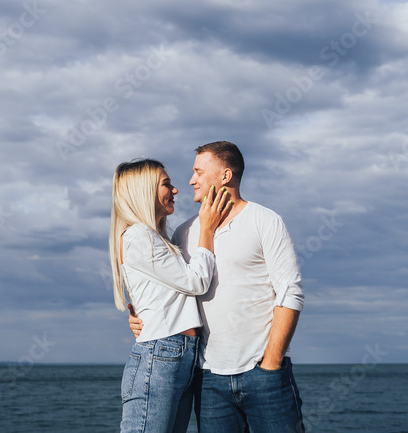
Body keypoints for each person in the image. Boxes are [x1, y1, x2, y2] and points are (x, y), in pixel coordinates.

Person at [129, 142, 306, 432]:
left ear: (225, 176)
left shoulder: (265, 220)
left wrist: (271, 365)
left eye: (198, 171)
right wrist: (138, 317)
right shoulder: (184, 233)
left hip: (264, 374)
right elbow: (169, 292)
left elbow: (290, 293)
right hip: (208, 379)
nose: (190, 180)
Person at [110, 158, 233, 433]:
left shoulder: (155, 237)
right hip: (162, 352)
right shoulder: (139, 236)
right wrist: (207, 229)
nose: (176, 190)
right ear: (144, 191)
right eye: (167, 184)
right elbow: (197, 281)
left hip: (179, 354)